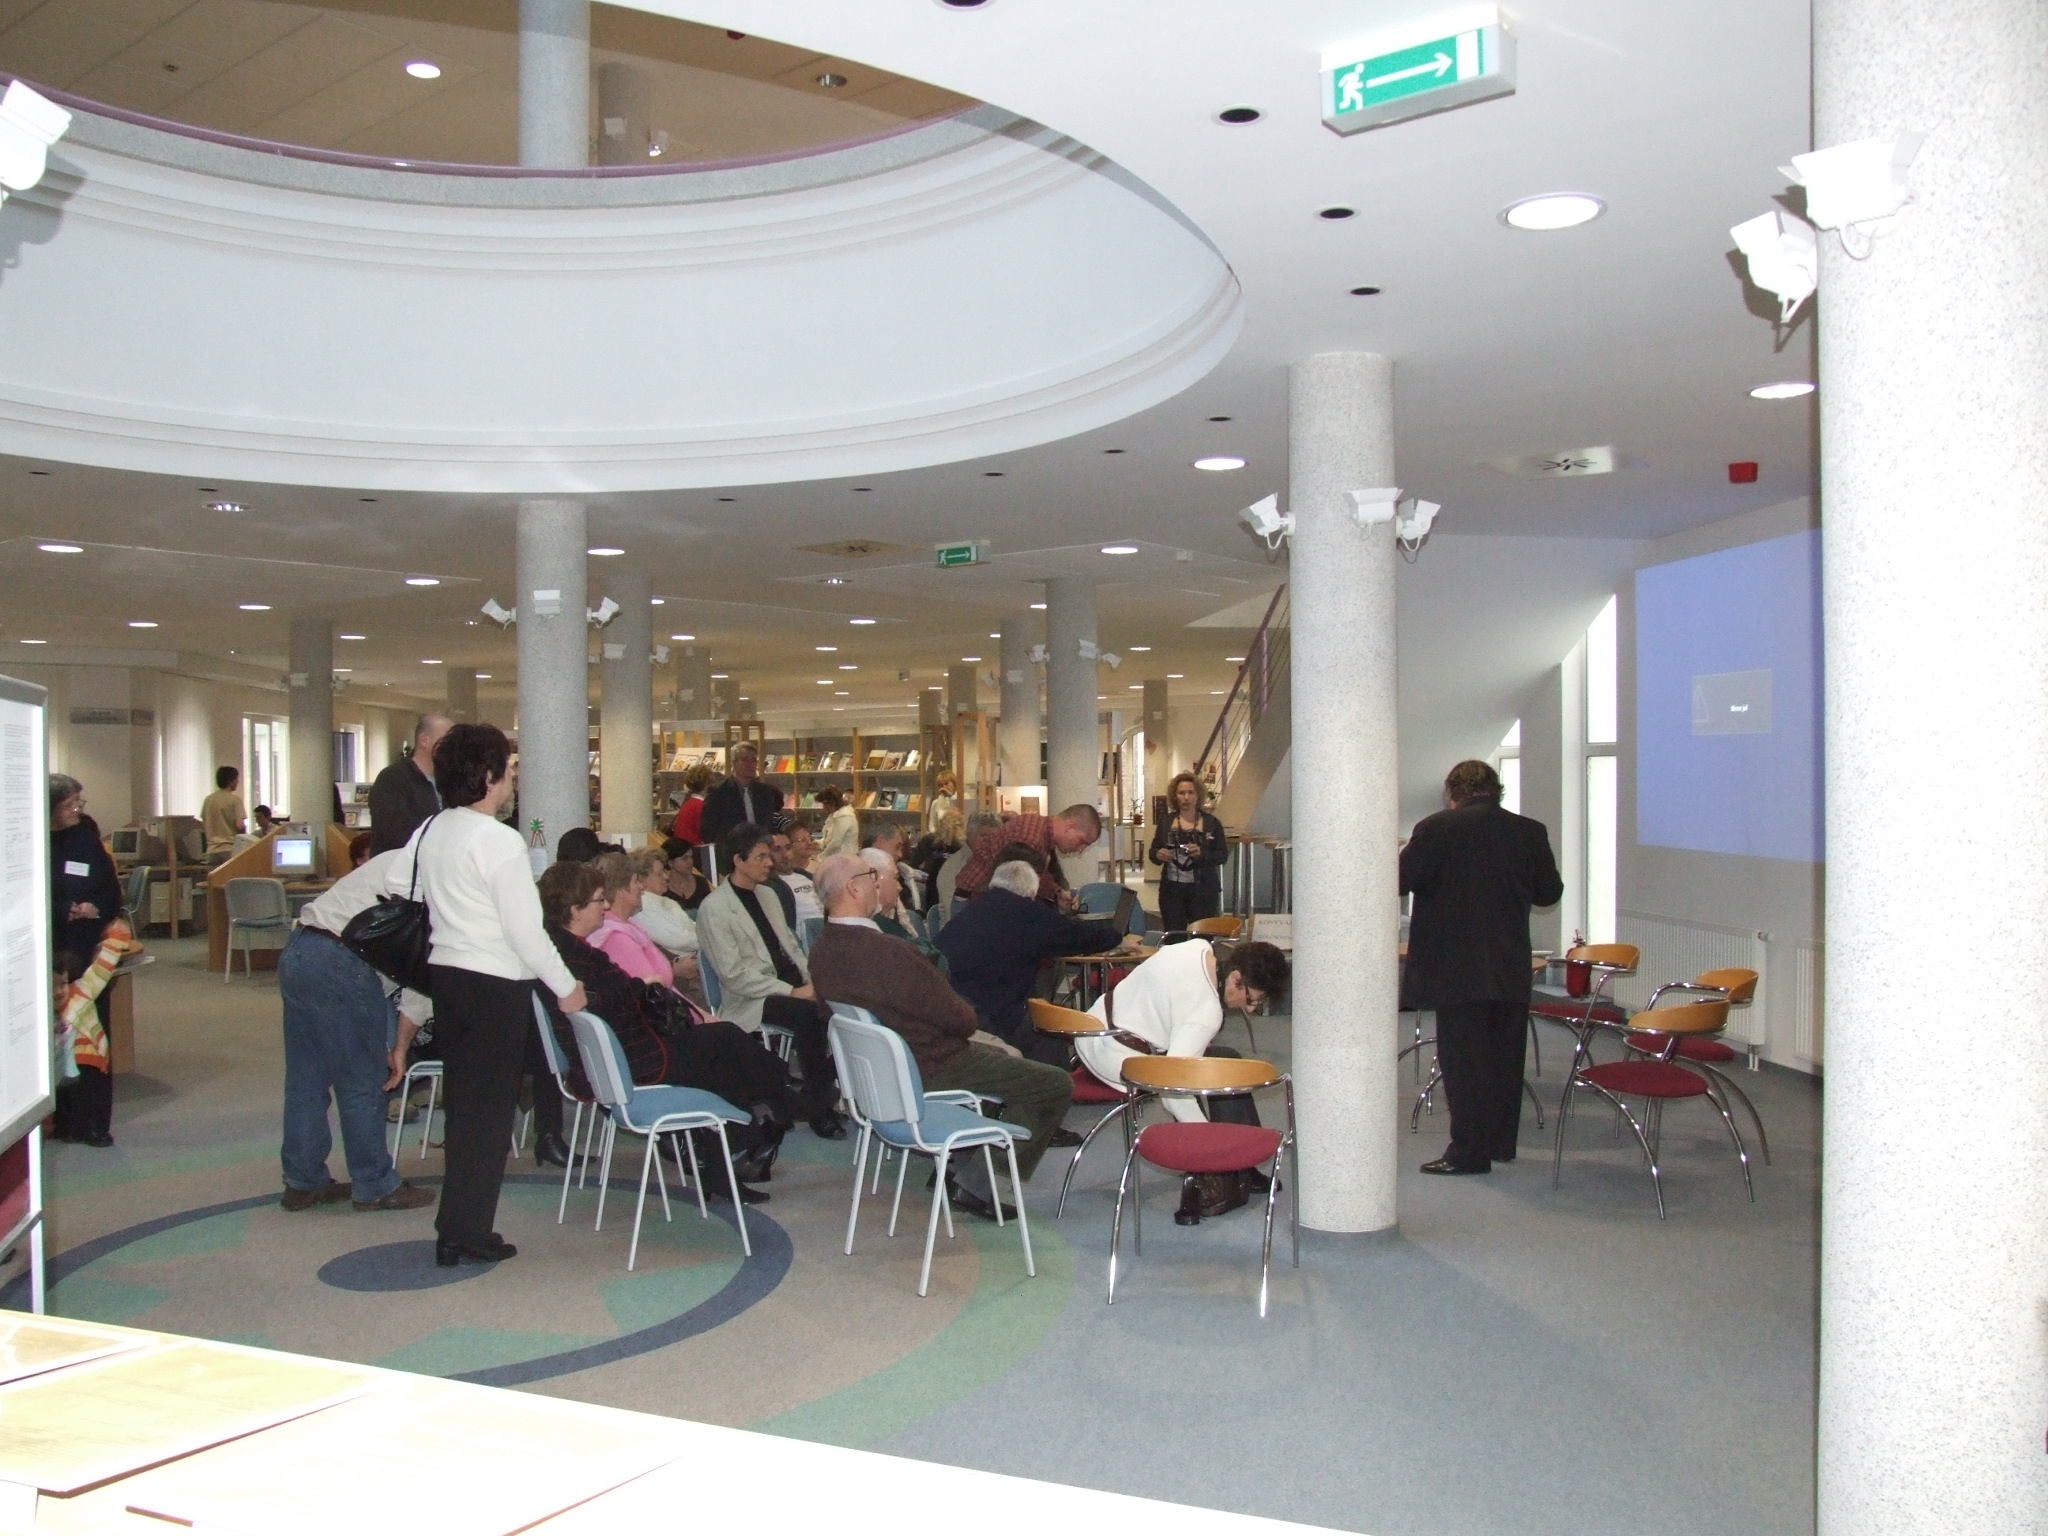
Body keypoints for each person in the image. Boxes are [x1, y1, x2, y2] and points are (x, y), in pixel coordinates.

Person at [388, 723, 586, 1267]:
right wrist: (567, 987)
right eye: (508, 769)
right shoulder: (498, 840)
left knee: (465, 1109)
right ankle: (466, 1231)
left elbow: (401, 885)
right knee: (490, 1115)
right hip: (494, 985)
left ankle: (458, 1225)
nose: (512, 779)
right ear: (490, 775)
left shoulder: (434, 828)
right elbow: (525, 932)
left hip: (448, 978)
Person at [807, 854, 1074, 1221]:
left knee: (1001, 1057)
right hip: (932, 1065)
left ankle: (960, 1164)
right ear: (854, 888)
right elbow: (959, 1019)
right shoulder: (889, 951)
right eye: (871, 876)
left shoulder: (821, 950)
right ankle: (974, 1178)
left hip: (881, 1074)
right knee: (1054, 1084)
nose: (878, 883)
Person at [538, 862, 792, 1197]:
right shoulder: (576, 959)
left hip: (620, 1058)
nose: (606, 905)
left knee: (721, 1058)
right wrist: (643, 987)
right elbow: (610, 1003)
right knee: (725, 1042)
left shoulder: (560, 952)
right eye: (600, 900)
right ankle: (782, 1100)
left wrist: (639, 987)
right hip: (633, 1062)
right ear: (575, 909)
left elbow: (611, 998)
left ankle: (746, 1141)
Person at [1400, 758, 1564, 1176]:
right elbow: (1549, 893)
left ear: (1452, 793)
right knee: (1505, 1059)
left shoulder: (1435, 828)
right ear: (1497, 790)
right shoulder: (1530, 831)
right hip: (1510, 963)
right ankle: (1500, 1144)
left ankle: (1469, 1153)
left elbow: (1399, 880)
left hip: (1454, 966)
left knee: (1463, 1063)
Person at [1077, 935, 1290, 1223]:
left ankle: (1243, 1167)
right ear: (1236, 978)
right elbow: (1173, 1089)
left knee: (1226, 1062)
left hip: (1094, 1029)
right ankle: (1231, 1165)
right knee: (1219, 1073)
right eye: (1252, 999)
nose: (1250, 1009)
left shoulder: (1195, 948)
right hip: (1120, 1061)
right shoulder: (1205, 1014)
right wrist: (1211, 1153)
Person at [279, 850, 436, 1213]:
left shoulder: (404, 857)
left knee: (306, 1081)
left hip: (301, 949)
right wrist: (400, 1048)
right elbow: (423, 976)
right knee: (362, 1082)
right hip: (343, 963)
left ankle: (302, 1181)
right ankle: (375, 1184)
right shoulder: (444, 884)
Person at [694, 824, 844, 1137]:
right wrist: (793, 991)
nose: (769, 862)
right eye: (761, 857)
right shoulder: (715, 908)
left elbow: (791, 946)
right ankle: (819, 1106)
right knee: (810, 1015)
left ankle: (819, 1092)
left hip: (791, 983)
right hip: (754, 996)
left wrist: (812, 979)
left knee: (847, 1002)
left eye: (768, 855)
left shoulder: (768, 895)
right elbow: (734, 975)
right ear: (738, 860)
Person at [938, 858, 1139, 1064]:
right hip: (987, 1012)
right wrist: (1118, 939)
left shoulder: (976, 908)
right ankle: (1057, 1082)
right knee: (1050, 1035)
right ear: (1031, 893)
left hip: (949, 1006)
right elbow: (1076, 935)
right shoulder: (1026, 912)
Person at [49, 774, 126, 1147]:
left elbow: (112, 894)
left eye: (80, 802)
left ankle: (95, 1122)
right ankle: (64, 1120)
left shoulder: (87, 841)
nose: (78, 809)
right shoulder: (35, 842)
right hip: (54, 952)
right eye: (70, 804)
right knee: (58, 1036)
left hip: (87, 954)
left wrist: (96, 907)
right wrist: (64, 908)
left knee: (93, 1035)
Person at [953, 804, 1102, 906]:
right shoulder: (1031, 837)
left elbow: (1032, 875)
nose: (1080, 850)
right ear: (1070, 827)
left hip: (977, 900)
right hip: (973, 903)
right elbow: (1018, 885)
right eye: (1082, 842)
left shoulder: (1038, 830)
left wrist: (1057, 894)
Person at [1149, 771, 1231, 932]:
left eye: (1190, 792)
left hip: (1203, 892)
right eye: (1181, 793)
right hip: (1171, 891)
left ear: (1198, 795)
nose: (1186, 797)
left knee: (1202, 937)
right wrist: (1158, 855)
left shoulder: (1212, 823)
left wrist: (1201, 854)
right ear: (1175, 796)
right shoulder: (1166, 822)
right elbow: (1153, 851)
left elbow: (1222, 855)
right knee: (1174, 936)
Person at [585, 850, 674, 987]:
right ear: (621, 890)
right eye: (636, 881)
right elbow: (651, 991)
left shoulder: (626, 923)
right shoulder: (616, 938)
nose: (642, 887)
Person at [368, 713, 451, 854]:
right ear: (424, 740)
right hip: (401, 863)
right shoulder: (392, 778)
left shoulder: (449, 780)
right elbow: (396, 832)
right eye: (447, 740)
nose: (453, 746)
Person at [698, 744, 784, 871]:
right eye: (744, 760)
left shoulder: (766, 792)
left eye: (753, 760)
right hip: (732, 858)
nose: (750, 764)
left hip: (763, 855)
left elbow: (770, 822)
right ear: (734, 763)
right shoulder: (719, 792)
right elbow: (708, 829)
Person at [628, 846, 701, 977]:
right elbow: (679, 939)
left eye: (665, 871)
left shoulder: (667, 902)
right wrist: (711, 937)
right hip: (681, 973)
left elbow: (691, 928)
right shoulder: (641, 908)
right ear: (641, 879)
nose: (666, 877)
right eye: (659, 873)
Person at [770, 826, 822, 927]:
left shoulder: (808, 876)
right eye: (777, 850)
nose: (785, 855)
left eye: (788, 848)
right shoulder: (771, 886)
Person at [199, 765, 246, 866]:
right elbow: (240, 826)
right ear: (230, 781)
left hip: (211, 850)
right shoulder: (235, 800)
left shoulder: (208, 800)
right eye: (236, 779)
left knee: (215, 876)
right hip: (230, 849)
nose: (238, 782)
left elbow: (204, 823)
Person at [668, 762, 714, 846]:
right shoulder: (702, 806)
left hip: (682, 847)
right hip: (694, 848)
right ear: (707, 784)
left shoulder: (687, 804)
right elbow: (705, 834)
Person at [662, 837, 708, 912]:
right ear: (670, 862)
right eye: (684, 858)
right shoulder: (662, 887)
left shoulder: (701, 882)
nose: (690, 862)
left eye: (691, 857)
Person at [816, 783, 858, 858]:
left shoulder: (844, 816)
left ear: (832, 803)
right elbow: (828, 839)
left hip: (844, 859)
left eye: (825, 804)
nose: (823, 808)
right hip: (836, 857)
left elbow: (835, 843)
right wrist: (817, 844)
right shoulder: (834, 816)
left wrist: (820, 858)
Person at [925, 771, 958, 836]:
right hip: (940, 837)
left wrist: (950, 796)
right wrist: (936, 835)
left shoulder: (959, 799)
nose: (944, 787)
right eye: (941, 785)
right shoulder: (936, 803)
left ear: (954, 784)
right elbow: (932, 824)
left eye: (946, 784)